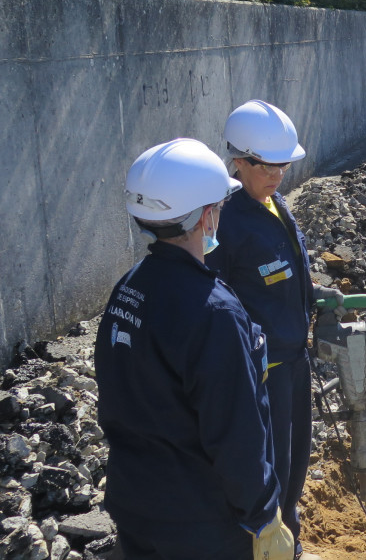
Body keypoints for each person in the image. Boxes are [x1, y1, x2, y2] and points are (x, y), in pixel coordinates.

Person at [95, 139, 294, 560]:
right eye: (219, 207)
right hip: (200, 522)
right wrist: (263, 516)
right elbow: (235, 431)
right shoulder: (213, 311)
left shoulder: (129, 287)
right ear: (207, 216)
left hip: (136, 504)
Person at [207, 100, 341, 560]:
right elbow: (213, 301)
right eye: (266, 166)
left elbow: (289, 270)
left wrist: (315, 295)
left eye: (284, 165)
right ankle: (262, 547)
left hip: (295, 359)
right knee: (271, 466)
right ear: (239, 161)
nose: (278, 174)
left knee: (296, 459)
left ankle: (291, 542)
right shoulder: (225, 223)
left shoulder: (276, 205)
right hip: (265, 370)